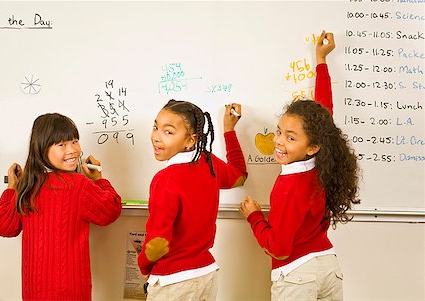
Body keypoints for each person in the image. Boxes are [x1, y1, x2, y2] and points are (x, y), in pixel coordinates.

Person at [239, 31, 360, 300]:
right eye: (279, 131)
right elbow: (325, 114)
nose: (278, 141)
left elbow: (279, 248)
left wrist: (254, 217)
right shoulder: (321, 162)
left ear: (312, 146)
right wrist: (320, 60)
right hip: (328, 266)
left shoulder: (288, 186)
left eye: (290, 137)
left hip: (297, 276)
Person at [0, 113, 122, 301]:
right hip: (72, 290)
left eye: (75, 141)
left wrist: (12, 188)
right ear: (42, 149)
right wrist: (99, 180)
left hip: (34, 291)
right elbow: (111, 210)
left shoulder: (29, 186)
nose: (72, 150)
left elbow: (4, 226)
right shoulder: (79, 185)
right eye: (62, 144)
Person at [138, 100, 248, 300]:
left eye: (168, 132)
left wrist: (144, 265)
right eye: (156, 127)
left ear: (191, 140)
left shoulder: (164, 180)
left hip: (173, 282)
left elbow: (158, 243)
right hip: (206, 274)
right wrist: (229, 130)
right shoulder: (209, 162)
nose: (156, 137)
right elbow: (239, 175)